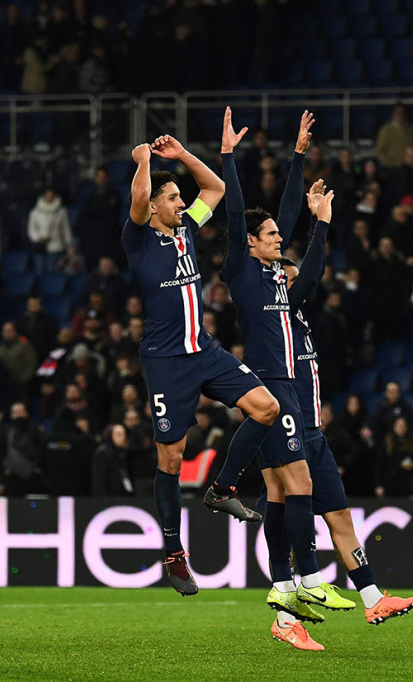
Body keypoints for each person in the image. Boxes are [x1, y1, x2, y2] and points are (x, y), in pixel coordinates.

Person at [263, 184, 413, 651]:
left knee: (340, 516)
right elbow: (310, 272)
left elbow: (309, 277)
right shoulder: (277, 310)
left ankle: (373, 596)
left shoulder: (301, 318)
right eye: (290, 275)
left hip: (314, 431)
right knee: (284, 504)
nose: (298, 280)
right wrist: (321, 223)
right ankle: (286, 612)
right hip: (285, 427)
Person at [122, 114, 272, 597]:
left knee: (266, 408)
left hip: (204, 351)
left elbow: (215, 191)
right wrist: (145, 162)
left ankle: (222, 489)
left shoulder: (186, 228)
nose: (181, 202)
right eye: (173, 198)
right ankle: (173, 552)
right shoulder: (140, 240)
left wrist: (182, 155)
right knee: (171, 461)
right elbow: (140, 199)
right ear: (157, 206)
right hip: (165, 361)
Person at [219, 109, 353, 624]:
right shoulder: (241, 269)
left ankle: (282, 590)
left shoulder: (279, 280)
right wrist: (228, 158)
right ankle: (311, 580)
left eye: (279, 234)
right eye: (270, 234)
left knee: (279, 489)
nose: (279, 237)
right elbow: (236, 213)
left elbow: (293, 215)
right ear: (250, 242)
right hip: (269, 385)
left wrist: (299, 155)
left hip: (289, 391)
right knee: (295, 481)